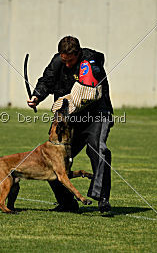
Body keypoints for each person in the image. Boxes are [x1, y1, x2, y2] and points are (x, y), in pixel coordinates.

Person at [27, 36, 114, 213]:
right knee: (52, 157)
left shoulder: (90, 60)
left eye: (71, 61)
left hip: (96, 114)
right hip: (69, 117)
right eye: (64, 60)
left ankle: (102, 198)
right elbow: (47, 80)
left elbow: (92, 79)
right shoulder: (58, 61)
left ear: (78, 53)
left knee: (98, 149)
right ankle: (67, 203)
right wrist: (37, 96)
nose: (66, 65)